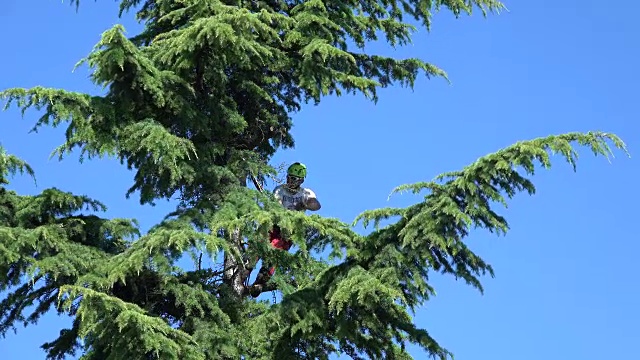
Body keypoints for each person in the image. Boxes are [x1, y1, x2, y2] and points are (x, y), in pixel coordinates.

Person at [248, 162, 321, 297]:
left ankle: (260, 282)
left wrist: (306, 203)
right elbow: (276, 205)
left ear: (301, 180)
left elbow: (316, 205)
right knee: (258, 243)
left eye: (293, 178)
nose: (290, 181)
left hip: (288, 230)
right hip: (274, 224)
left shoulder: (305, 193)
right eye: (289, 177)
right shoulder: (280, 190)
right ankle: (245, 268)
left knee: (275, 251)